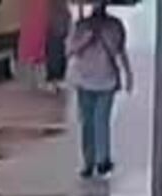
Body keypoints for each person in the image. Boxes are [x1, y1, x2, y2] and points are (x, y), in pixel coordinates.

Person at [68, 1, 131, 179]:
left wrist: (128, 74)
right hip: (85, 80)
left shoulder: (114, 26)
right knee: (88, 122)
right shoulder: (81, 26)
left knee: (100, 120)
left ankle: (102, 160)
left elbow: (120, 51)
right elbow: (70, 50)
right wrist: (85, 41)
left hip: (106, 80)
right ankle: (89, 161)